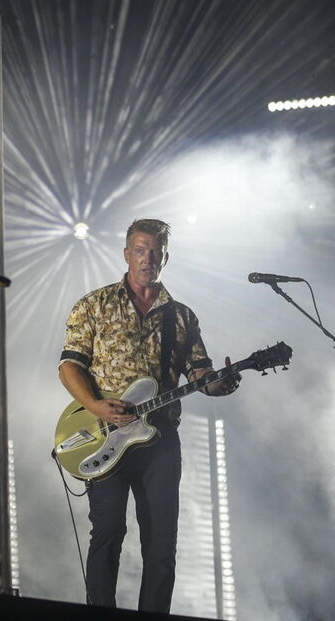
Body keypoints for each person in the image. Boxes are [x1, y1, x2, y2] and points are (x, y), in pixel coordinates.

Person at [58, 218, 240, 612]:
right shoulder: (94, 305)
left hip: (160, 441)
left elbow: (199, 374)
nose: (147, 259)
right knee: (108, 533)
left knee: (161, 545)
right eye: (140, 251)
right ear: (126, 254)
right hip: (106, 436)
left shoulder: (181, 316)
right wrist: (95, 405)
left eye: (155, 252)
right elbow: (69, 366)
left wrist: (219, 383)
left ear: (165, 258)